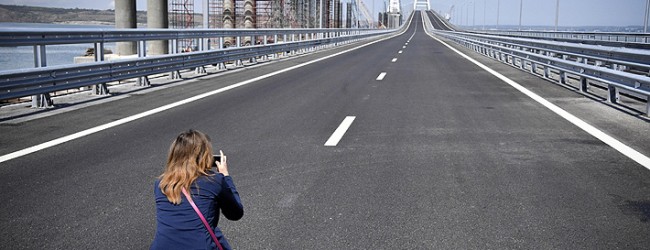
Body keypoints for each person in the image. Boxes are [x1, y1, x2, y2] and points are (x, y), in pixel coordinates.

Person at [151, 130, 244, 250]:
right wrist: (226, 176)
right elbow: (235, 214)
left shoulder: (160, 184)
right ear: (205, 156)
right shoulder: (214, 181)